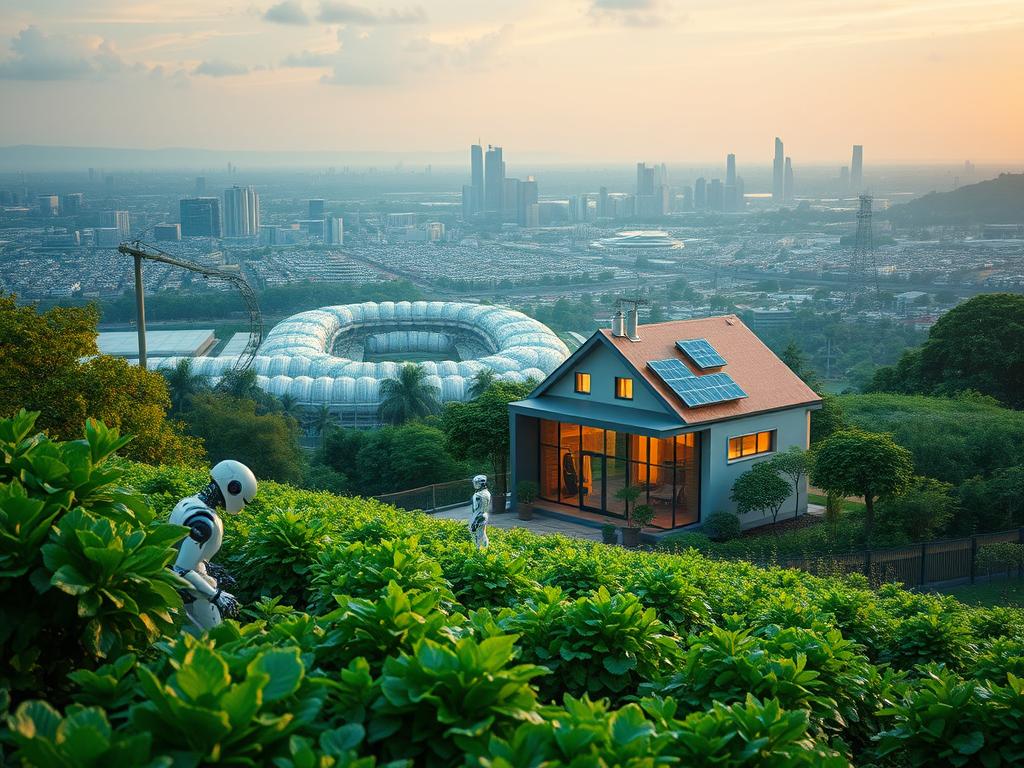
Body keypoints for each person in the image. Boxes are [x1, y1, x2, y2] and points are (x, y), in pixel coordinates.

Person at [169, 460, 257, 631]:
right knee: (213, 638)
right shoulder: (203, 522)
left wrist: (207, 566)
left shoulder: (191, 502)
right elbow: (181, 569)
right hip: (193, 593)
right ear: (234, 488)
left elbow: (185, 551)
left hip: (189, 586)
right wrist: (216, 595)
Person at [470, 474, 491, 550]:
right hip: (484, 515)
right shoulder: (487, 493)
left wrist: (474, 521)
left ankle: (479, 551)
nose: (474, 485)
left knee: (477, 535)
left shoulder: (478, 495)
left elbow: (476, 508)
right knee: (483, 533)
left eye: (476, 483)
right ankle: (485, 548)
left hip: (478, 516)